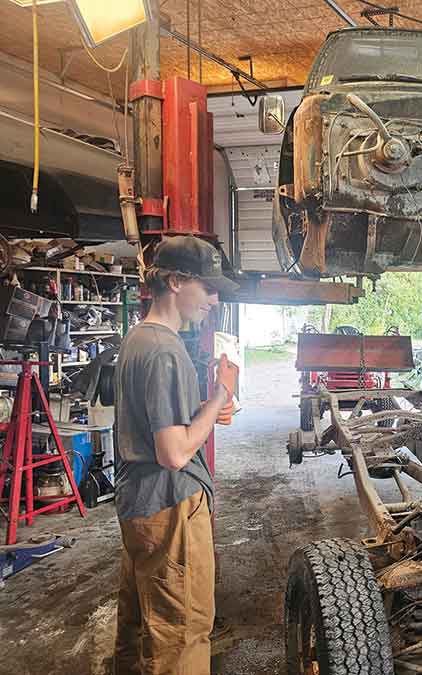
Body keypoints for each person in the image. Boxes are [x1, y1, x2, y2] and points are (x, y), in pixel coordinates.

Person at [113, 236, 240, 675]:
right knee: (182, 633)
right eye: (206, 287)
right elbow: (174, 451)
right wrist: (223, 389)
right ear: (174, 281)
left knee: (138, 626)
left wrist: (206, 410)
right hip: (170, 506)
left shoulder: (137, 340)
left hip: (139, 503)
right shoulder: (165, 350)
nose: (213, 297)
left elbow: (171, 430)